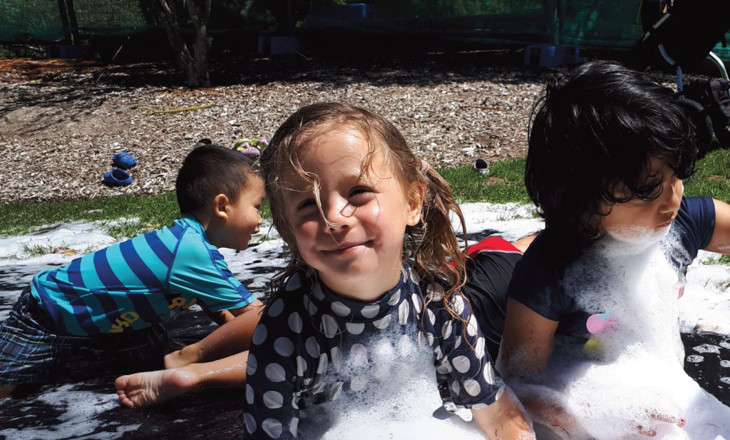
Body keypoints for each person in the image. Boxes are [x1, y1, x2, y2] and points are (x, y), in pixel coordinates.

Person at [243, 102, 536, 439]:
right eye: (308, 203)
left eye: (358, 192)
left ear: (412, 203)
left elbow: (497, 414)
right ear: (287, 228)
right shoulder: (285, 329)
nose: (334, 216)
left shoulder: (438, 304)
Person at [497, 60, 730, 438]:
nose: (671, 200)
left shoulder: (682, 222)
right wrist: (590, 413)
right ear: (580, 201)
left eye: (676, 176)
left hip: (661, 387)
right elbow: (520, 382)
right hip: (581, 397)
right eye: (647, 191)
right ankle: (504, 251)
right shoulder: (550, 271)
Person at [0, 144, 265, 399]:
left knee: (151, 359)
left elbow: (216, 305)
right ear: (222, 206)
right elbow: (260, 318)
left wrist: (234, 337)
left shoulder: (185, 242)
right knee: (10, 379)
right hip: (48, 311)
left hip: (123, 318)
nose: (261, 220)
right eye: (257, 206)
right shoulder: (192, 254)